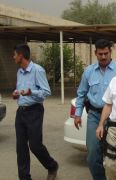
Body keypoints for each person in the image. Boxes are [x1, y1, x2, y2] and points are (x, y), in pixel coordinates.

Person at [74, 39, 116, 180]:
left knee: (113, 156)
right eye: (100, 54)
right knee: (92, 155)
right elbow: (81, 94)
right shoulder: (89, 71)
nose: (103, 57)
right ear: (95, 53)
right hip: (94, 116)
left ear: (110, 52)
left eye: (106, 53)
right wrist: (77, 114)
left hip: (115, 117)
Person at [12, 44, 58, 180]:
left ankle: (52, 166)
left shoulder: (38, 70)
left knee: (35, 146)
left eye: (14, 55)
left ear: (21, 56)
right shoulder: (19, 71)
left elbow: (46, 92)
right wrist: (16, 94)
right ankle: (24, 178)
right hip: (20, 112)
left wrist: (31, 92)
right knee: (20, 148)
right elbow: (20, 91)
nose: (13, 57)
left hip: (34, 111)